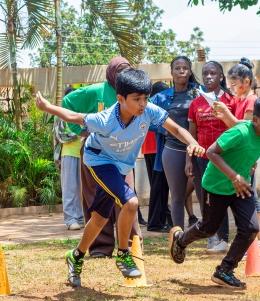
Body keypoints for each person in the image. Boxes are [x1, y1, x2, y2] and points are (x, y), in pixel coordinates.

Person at [36, 68, 204, 287]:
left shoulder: (148, 110)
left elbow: (177, 129)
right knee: (131, 202)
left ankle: (75, 256)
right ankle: (123, 254)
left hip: (122, 166)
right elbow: (74, 117)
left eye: (145, 98)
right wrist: (47, 107)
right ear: (120, 99)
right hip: (99, 161)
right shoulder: (105, 119)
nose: (142, 104)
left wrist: (193, 142)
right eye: (137, 99)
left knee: (99, 218)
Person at [169, 95, 260, 289]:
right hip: (216, 186)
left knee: (251, 228)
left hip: (240, 186)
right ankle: (180, 240)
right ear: (256, 120)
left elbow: (248, 148)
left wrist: (249, 164)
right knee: (208, 228)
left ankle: (225, 270)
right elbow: (211, 152)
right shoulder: (240, 132)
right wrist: (234, 176)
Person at [61, 57, 137, 257]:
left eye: (127, 70)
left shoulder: (133, 92)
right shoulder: (97, 91)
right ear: (111, 72)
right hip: (95, 152)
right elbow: (68, 102)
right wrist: (81, 131)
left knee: (127, 196)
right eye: (119, 70)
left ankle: (131, 244)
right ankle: (100, 248)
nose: (123, 74)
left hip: (122, 152)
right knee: (96, 198)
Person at [213, 58, 260, 256]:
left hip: (247, 156)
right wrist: (223, 115)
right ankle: (253, 243)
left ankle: (258, 243)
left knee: (251, 198)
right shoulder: (241, 100)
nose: (231, 89)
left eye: (233, 84)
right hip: (241, 155)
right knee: (246, 196)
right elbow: (236, 129)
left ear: (246, 82)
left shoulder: (252, 101)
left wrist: (226, 113)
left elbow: (246, 130)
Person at [186, 61, 235, 253]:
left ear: (221, 77)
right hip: (202, 158)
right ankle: (211, 237)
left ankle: (224, 239)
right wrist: (189, 160)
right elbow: (192, 135)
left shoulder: (230, 101)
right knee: (205, 197)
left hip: (225, 157)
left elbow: (237, 128)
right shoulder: (195, 104)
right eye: (205, 73)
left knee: (223, 197)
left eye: (213, 73)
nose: (208, 76)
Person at [150, 56, 200, 231]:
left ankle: (212, 237)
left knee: (204, 193)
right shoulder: (161, 97)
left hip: (198, 150)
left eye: (185, 68)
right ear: (171, 72)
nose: (181, 71)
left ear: (190, 71)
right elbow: (144, 117)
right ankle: (178, 237)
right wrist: (164, 129)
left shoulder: (199, 93)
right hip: (173, 151)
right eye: (177, 68)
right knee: (177, 197)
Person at [143, 81, 171, 233]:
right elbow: (148, 124)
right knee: (158, 186)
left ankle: (161, 219)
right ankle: (156, 222)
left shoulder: (154, 107)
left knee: (160, 186)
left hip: (153, 150)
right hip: (155, 150)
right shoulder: (153, 107)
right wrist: (163, 129)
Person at [55, 86, 85, 230]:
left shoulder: (82, 114)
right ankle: (70, 219)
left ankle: (80, 217)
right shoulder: (61, 115)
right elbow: (61, 136)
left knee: (82, 189)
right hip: (69, 154)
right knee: (69, 188)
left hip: (84, 154)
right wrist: (80, 133)